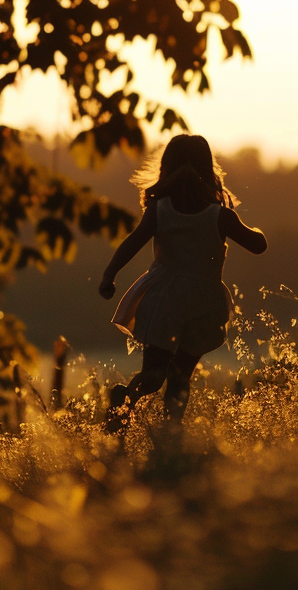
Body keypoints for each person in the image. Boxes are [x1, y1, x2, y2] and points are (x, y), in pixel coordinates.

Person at [99, 134, 267, 433]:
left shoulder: (159, 210)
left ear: (166, 169)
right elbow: (258, 246)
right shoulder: (221, 217)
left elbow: (132, 243)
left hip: (163, 298)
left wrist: (108, 275)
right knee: (180, 377)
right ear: (209, 171)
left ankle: (126, 399)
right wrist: (252, 227)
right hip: (204, 303)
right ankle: (170, 433)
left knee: (152, 373)